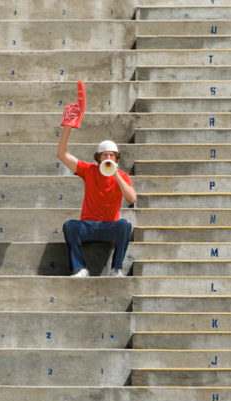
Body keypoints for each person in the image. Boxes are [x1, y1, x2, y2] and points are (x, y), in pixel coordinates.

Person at [56, 81, 137, 277]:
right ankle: (80, 268)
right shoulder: (89, 170)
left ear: (116, 158)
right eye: (104, 155)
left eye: (111, 155)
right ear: (98, 157)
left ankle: (116, 268)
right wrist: (68, 127)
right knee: (69, 226)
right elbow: (62, 154)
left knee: (125, 226)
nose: (108, 158)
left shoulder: (122, 176)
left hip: (110, 226)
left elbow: (132, 199)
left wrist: (115, 173)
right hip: (89, 226)